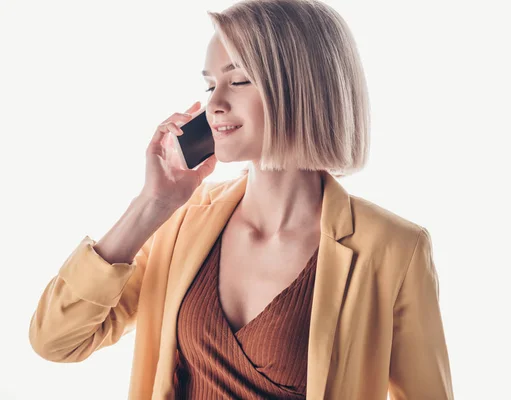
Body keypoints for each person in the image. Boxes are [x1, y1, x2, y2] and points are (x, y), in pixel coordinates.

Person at [28, 0, 454, 399]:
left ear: (301, 88)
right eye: (211, 84)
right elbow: (56, 341)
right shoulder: (183, 222)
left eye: (239, 80)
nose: (213, 104)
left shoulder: (394, 249)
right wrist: (151, 204)